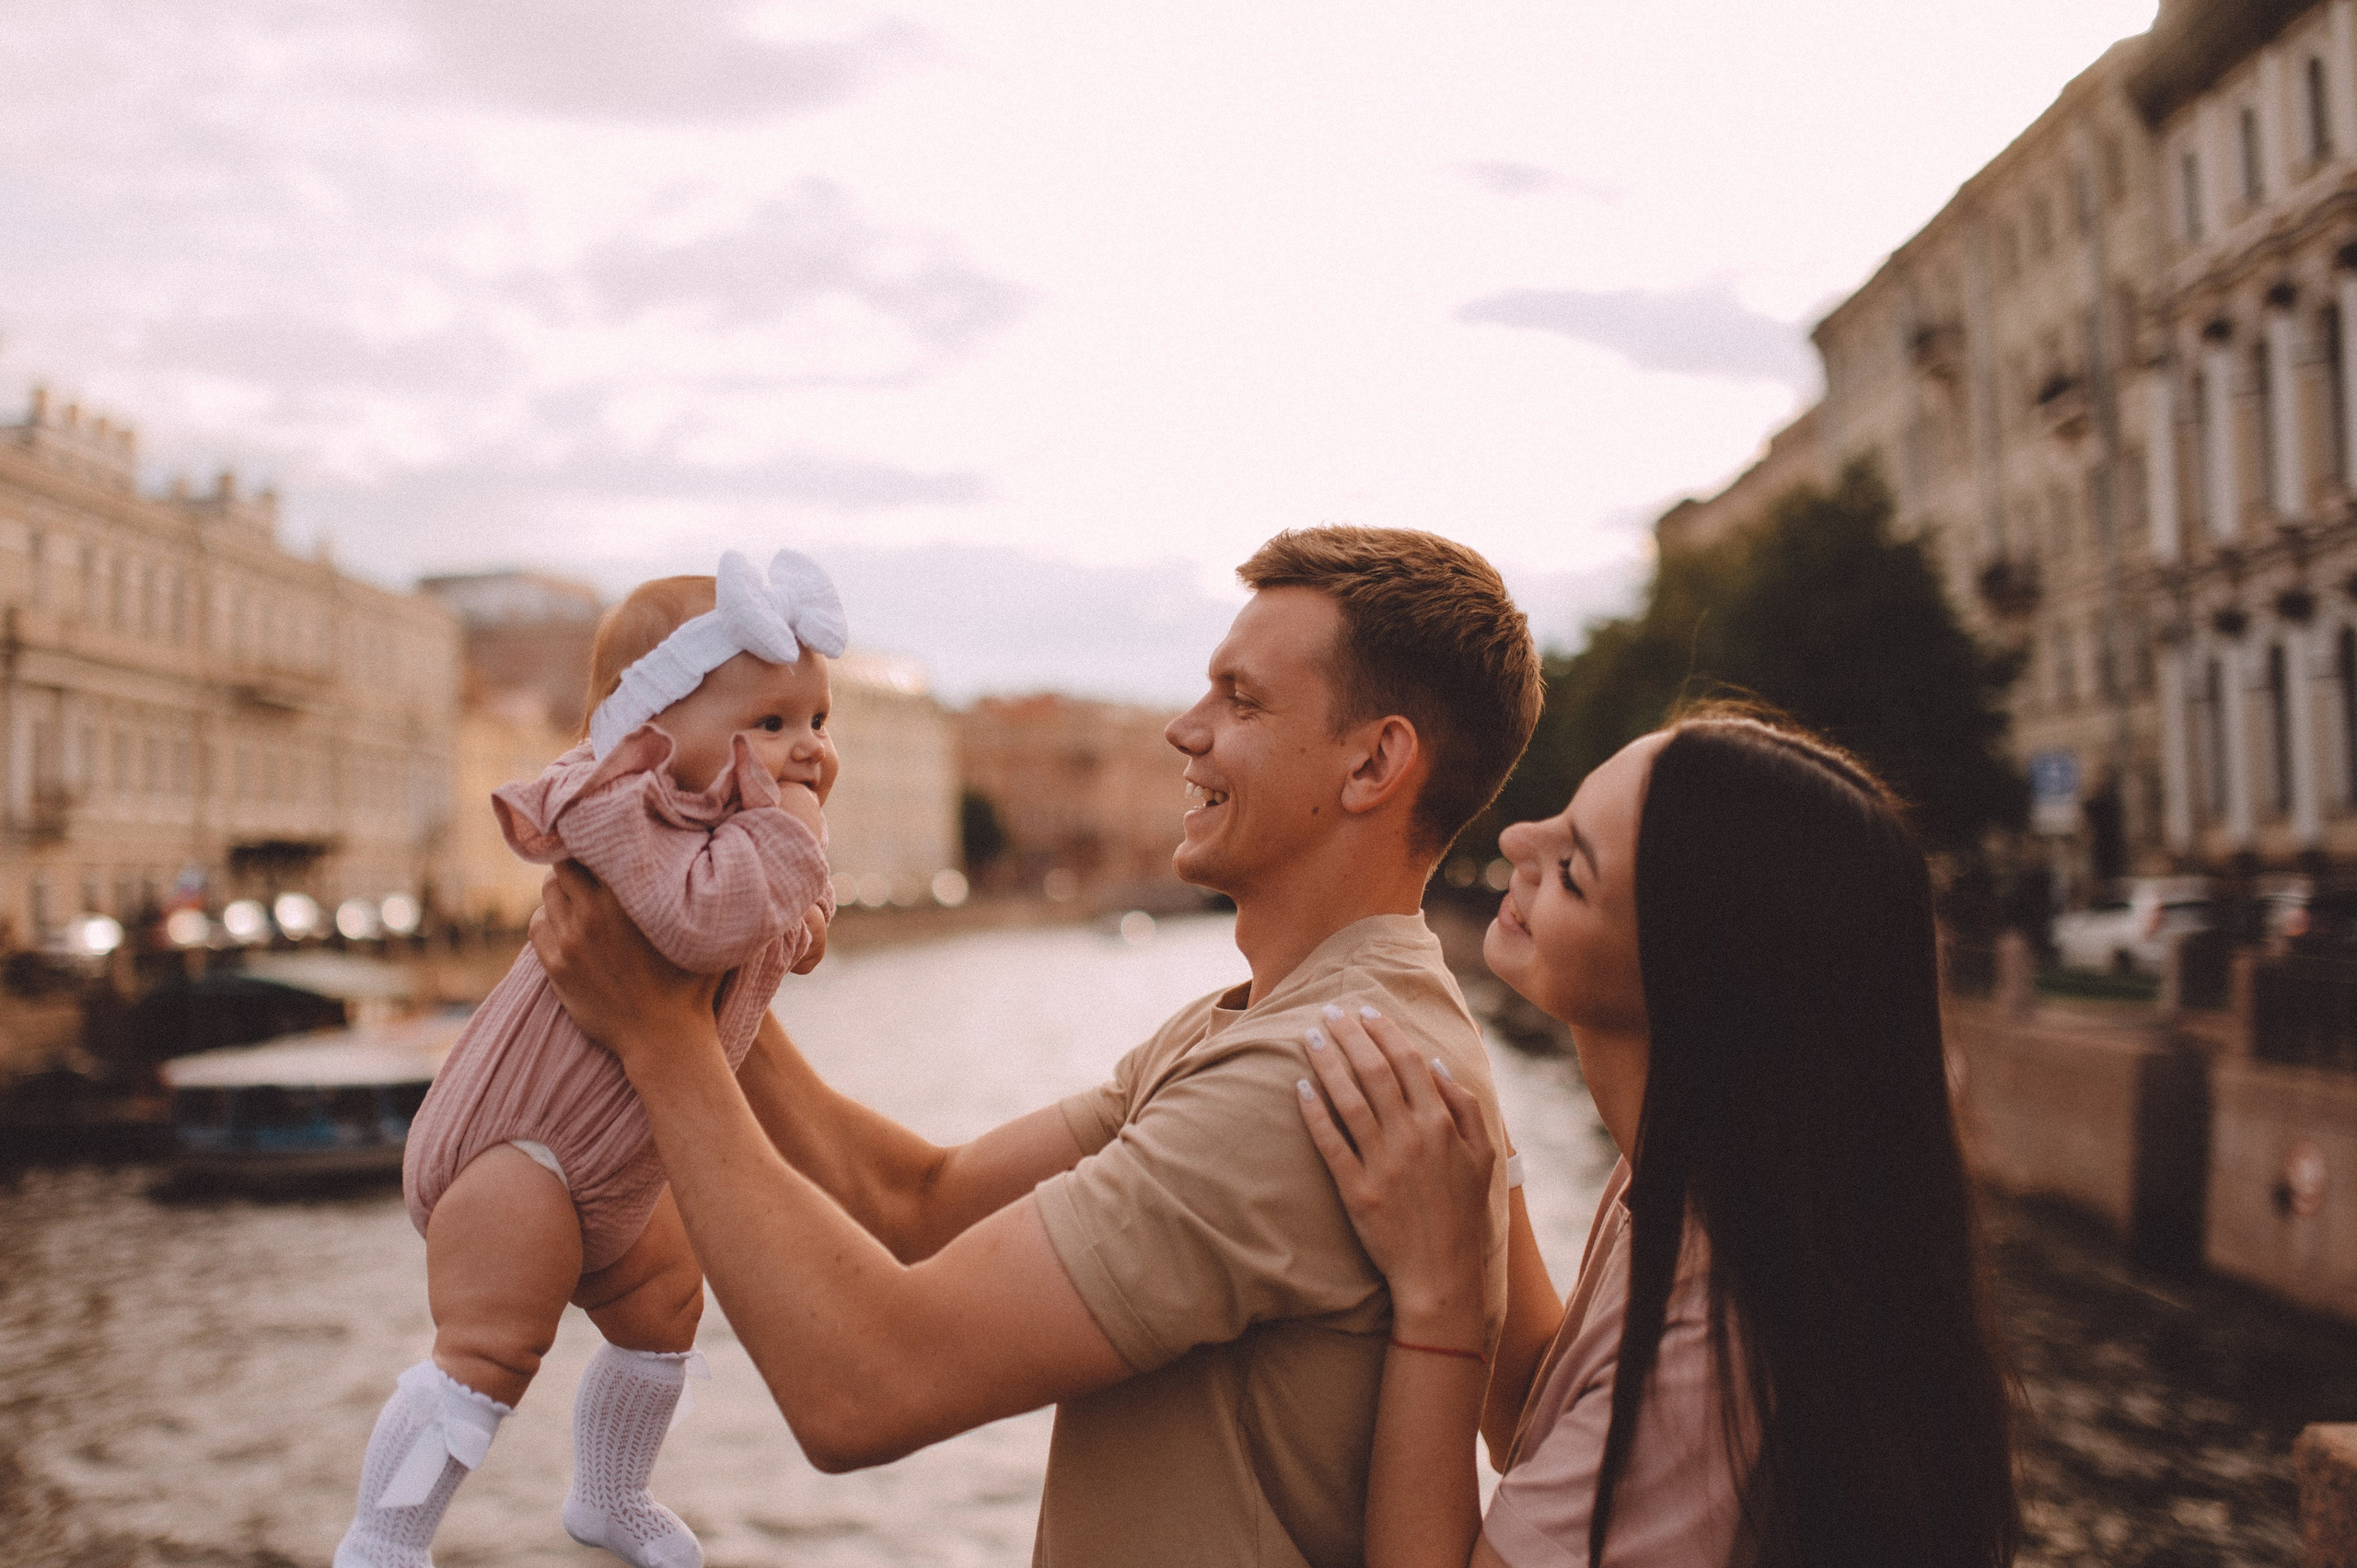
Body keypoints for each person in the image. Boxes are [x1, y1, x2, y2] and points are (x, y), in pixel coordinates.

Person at [527, 526, 1546, 1566]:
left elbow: (864, 1384)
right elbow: (916, 1202)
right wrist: (694, 957)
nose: (1183, 730)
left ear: (1374, 760)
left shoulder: (1302, 1078)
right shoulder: (1282, 1021)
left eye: (1240, 699)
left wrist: (659, 1037)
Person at [1296, 710, 2021, 1568]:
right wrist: (1478, 1161)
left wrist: (1436, 1292)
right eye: (1558, 817)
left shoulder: (1724, 1336)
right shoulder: (1707, 1179)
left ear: (1688, 978)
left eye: (1571, 868)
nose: (1519, 837)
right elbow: (1552, 1412)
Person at [336, 551, 845, 1568]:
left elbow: (786, 934)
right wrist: (792, 841)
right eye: (771, 723)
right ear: (647, 726)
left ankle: (612, 1492)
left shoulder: (737, 830)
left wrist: (798, 880)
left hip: (619, 1164)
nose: (807, 752)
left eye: (819, 724)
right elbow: (701, 925)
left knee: (666, 1302)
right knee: (493, 1348)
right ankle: (383, 1538)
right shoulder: (619, 810)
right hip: (516, 1149)